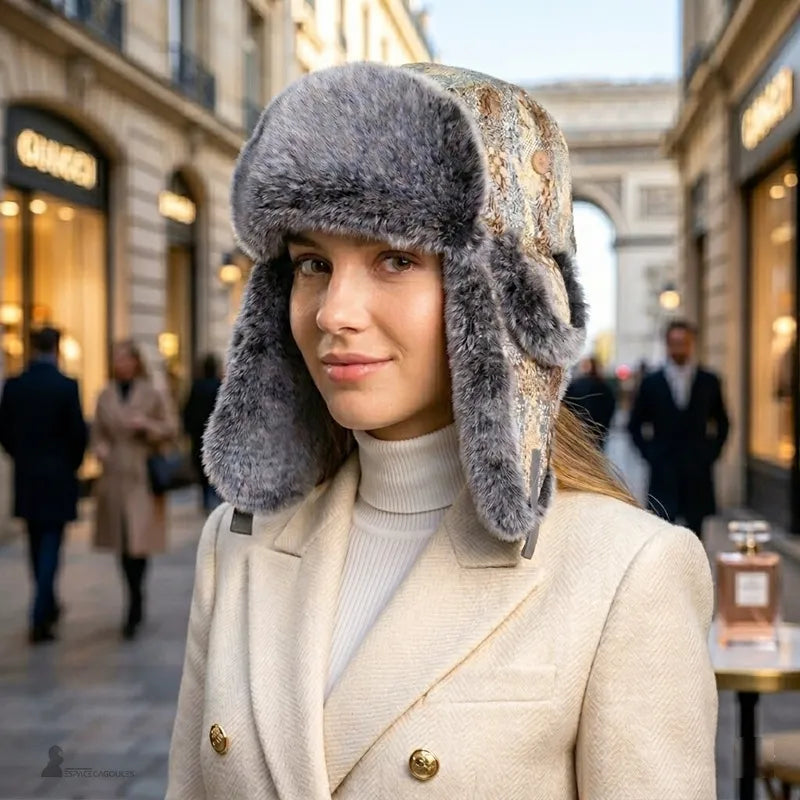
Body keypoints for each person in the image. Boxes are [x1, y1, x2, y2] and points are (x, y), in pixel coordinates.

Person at [167, 64, 717, 798]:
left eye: (395, 258)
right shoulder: (234, 544)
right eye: (311, 263)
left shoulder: (626, 574)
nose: (334, 312)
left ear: (497, 294)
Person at [0, 327, 87, 644]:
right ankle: (41, 610)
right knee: (51, 543)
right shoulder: (65, 386)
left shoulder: (15, 386)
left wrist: (21, 456)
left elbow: (4, 432)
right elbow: (78, 433)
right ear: (57, 348)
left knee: (36, 543)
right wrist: (71, 465)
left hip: (28, 475)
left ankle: (46, 603)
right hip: (59, 475)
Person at [91, 340, 178, 639]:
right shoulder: (105, 394)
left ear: (136, 363)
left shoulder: (151, 393)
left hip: (143, 476)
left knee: (139, 543)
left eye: (126, 360)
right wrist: (99, 447)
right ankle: (132, 594)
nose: (121, 365)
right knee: (121, 543)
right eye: (117, 360)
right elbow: (97, 432)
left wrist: (146, 425)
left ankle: (136, 599)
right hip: (114, 476)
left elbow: (171, 429)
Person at [628, 320, 729, 538]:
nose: (679, 348)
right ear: (667, 344)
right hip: (663, 473)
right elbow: (634, 425)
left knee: (697, 537)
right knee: (663, 537)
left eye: (684, 342)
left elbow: (723, 422)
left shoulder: (709, 381)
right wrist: (650, 454)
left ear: (692, 344)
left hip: (697, 474)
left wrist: (710, 454)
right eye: (674, 343)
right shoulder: (651, 383)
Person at [182, 353, 223, 513]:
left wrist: (188, 429)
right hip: (216, 434)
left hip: (199, 434)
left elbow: (188, 410)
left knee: (202, 467)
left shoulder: (196, 386)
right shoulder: (219, 386)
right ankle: (215, 497)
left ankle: (206, 499)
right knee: (217, 465)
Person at [563, 356, 616, 448]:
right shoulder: (604, 387)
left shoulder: (576, 385)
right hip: (598, 431)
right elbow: (610, 407)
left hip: (577, 430)